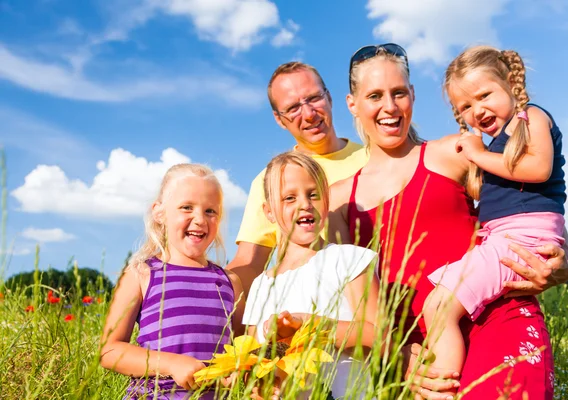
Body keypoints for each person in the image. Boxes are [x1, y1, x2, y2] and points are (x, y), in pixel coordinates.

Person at [328, 43, 568, 399]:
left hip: (498, 324)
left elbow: (532, 204)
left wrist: (562, 263)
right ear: (353, 103)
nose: (390, 107)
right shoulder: (338, 199)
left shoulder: (455, 152)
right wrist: (397, 355)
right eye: (374, 96)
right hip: (419, 362)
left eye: (399, 93)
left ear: (412, 94)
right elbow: (357, 302)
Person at [424, 45, 566, 399]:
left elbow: (539, 168)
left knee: (439, 307)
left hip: (518, 239)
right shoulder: (500, 143)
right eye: (465, 107)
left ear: (510, 83)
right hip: (508, 237)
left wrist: (478, 153)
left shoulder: (531, 117)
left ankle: (442, 385)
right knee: (440, 306)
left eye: (484, 95)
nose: (477, 110)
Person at [242, 151, 381, 399]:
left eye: (313, 194)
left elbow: (379, 337)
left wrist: (312, 325)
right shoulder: (260, 285)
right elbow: (253, 357)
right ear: (269, 212)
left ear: (325, 202)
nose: (305, 204)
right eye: (289, 198)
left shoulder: (348, 260)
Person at [100, 164, 245, 400]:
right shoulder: (142, 274)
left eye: (210, 211)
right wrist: (170, 364)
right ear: (159, 213)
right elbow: (110, 350)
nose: (199, 219)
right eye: (186, 207)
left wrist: (241, 370)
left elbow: (242, 347)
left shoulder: (229, 282)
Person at [227, 62, 368, 297]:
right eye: (293, 108)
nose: (309, 114)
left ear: (329, 98)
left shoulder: (374, 157)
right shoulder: (270, 180)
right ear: (279, 119)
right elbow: (250, 263)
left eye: (314, 98)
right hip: (309, 315)